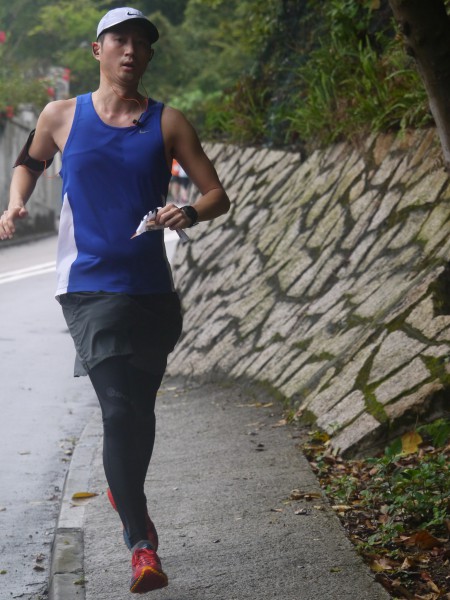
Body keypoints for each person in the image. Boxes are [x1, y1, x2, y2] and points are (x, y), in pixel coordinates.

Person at [0, 7, 230, 594]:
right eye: (119, 40)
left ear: (149, 55)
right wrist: (16, 201)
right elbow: (29, 163)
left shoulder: (167, 122)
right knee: (119, 410)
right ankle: (140, 543)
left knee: (140, 413)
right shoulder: (60, 115)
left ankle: (124, 492)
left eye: (140, 43)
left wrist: (189, 210)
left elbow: (216, 194)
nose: (130, 50)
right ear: (97, 50)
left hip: (150, 288)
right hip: (88, 287)